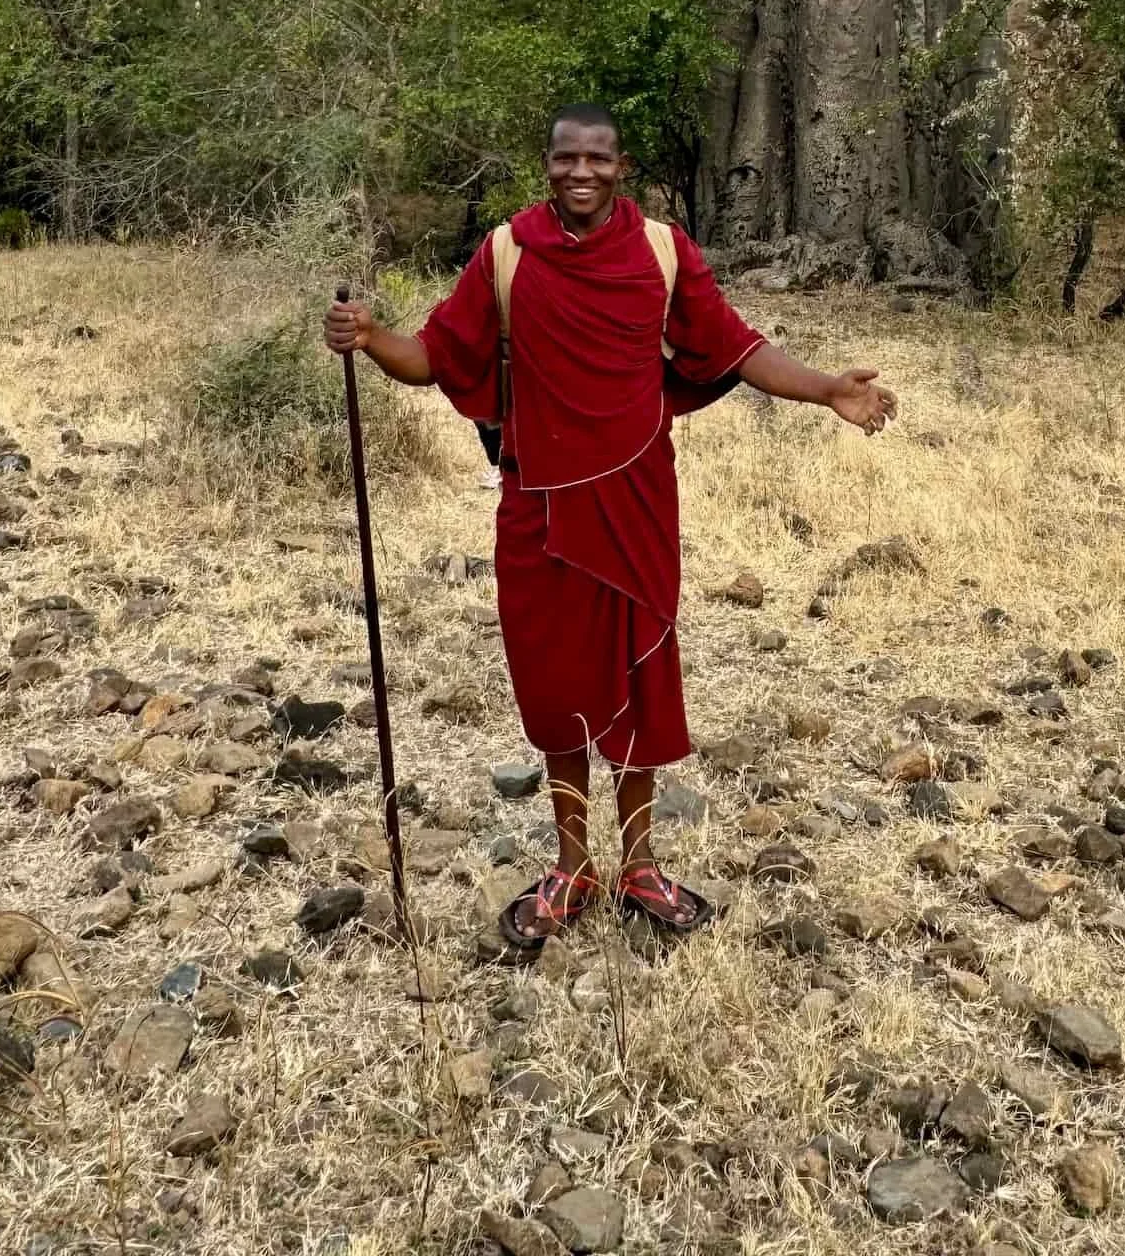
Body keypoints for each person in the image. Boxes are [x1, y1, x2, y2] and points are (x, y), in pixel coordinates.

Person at [323, 103, 897, 948]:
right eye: (565, 159)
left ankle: (638, 865)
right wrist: (372, 339)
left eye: (597, 159)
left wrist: (825, 389)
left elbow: (736, 347)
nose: (579, 173)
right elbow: (435, 359)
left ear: (621, 167)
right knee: (556, 689)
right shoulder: (508, 253)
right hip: (537, 506)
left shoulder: (664, 253)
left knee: (636, 683)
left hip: (635, 503)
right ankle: (570, 867)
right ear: (548, 164)